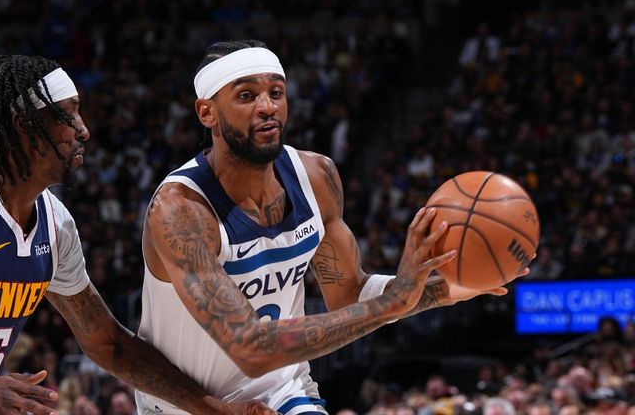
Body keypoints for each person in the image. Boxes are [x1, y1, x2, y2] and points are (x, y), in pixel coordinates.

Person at [0, 54, 273, 415]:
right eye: (67, 116)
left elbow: (109, 343)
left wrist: (216, 410)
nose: (84, 130)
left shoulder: (55, 223)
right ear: (24, 126)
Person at [137, 40, 530, 414]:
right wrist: (391, 302)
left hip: (282, 391)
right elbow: (250, 348)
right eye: (246, 96)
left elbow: (349, 295)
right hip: (187, 406)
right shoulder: (182, 211)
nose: (267, 107)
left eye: (277, 92)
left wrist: (450, 287)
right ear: (207, 113)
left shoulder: (316, 177)